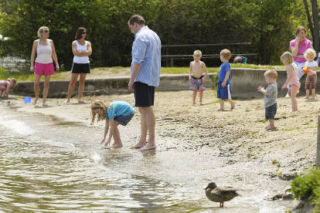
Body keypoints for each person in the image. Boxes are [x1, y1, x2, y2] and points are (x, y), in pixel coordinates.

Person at [127, 14, 161, 151]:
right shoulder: (154, 34)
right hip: (151, 76)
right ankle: (142, 140)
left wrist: (131, 80)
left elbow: (137, 61)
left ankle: (151, 142)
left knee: (146, 108)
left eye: (131, 28)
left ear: (135, 24)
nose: (131, 31)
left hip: (142, 77)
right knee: (143, 108)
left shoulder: (141, 37)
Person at [30, 26, 59, 106]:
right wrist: (32, 65)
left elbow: (54, 53)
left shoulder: (51, 42)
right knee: (36, 83)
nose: (48, 32)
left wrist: (56, 63)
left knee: (46, 83)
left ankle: (44, 101)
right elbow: (33, 54)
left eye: (48, 31)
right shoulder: (36, 42)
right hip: (39, 63)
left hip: (49, 64)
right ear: (41, 33)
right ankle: (36, 97)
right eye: (46, 31)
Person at [65, 27, 92, 104]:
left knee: (82, 81)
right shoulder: (74, 42)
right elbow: (75, 53)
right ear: (79, 33)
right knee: (73, 81)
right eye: (83, 33)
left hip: (85, 63)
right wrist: (84, 52)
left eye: (85, 33)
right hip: (76, 63)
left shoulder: (88, 43)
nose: (84, 34)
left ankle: (80, 98)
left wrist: (81, 52)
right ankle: (68, 98)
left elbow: (90, 52)